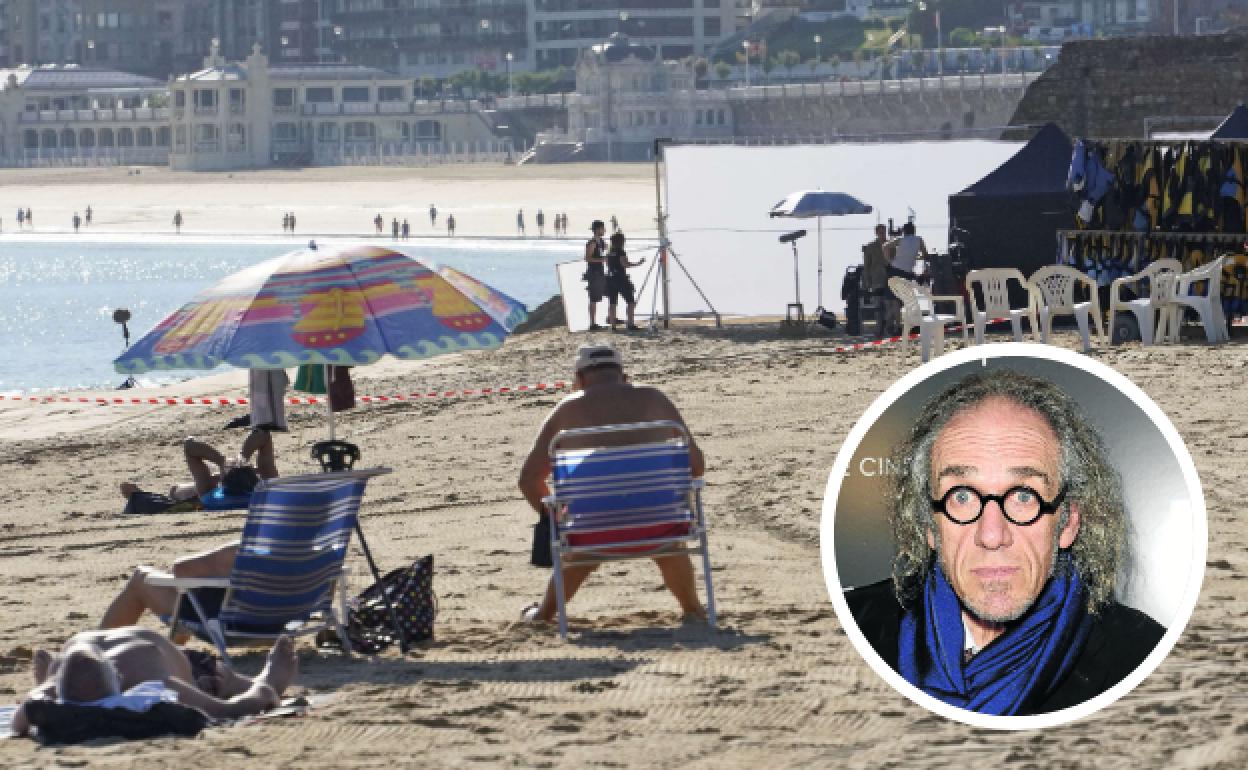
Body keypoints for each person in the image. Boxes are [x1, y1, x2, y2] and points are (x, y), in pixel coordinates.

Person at [844, 369, 1165, 717]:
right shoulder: (854, 628)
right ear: (929, 526)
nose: (992, 535)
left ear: (1069, 523)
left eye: (1024, 497)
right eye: (962, 496)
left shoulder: (1142, 659)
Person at [517, 344, 708, 625]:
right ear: (623, 375)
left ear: (579, 379)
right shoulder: (655, 399)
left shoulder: (567, 410)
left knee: (579, 550)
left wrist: (554, 518)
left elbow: (529, 480)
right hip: (661, 525)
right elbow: (696, 466)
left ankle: (543, 615)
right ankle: (694, 611)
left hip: (593, 533)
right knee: (670, 547)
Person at [11, 628, 296, 736]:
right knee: (210, 682)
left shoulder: (150, 681)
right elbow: (225, 711)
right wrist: (264, 694)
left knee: (221, 682)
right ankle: (263, 678)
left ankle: (260, 678)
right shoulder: (153, 685)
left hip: (90, 654)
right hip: (146, 652)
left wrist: (263, 691)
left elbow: (20, 718)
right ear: (118, 677)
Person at [605, 231, 646, 331]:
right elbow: (625, 264)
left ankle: (613, 326)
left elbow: (607, 264)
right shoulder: (620, 251)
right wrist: (638, 263)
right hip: (620, 278)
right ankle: (630, 324)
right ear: (621, 241)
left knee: (612, 303)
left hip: (610, 278)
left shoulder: (609, 252)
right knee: (631, 301)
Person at [861, 224, 891, 338]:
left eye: (884, 232)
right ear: (876, 233)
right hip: (876, 279)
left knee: (889, 305)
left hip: (889, 279)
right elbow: (866, 266)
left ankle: (888, 327)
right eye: (880, 232)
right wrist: (866, 282)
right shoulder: (870, 247)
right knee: (878, 306)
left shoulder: (891, 245)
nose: (882, 234)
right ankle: (879, 329)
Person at [584, 220, 608, 330]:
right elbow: (587, 258)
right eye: (602, 228)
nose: (604, 230)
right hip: (594, 273)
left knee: (600, 296)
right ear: (597, 229)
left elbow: (606, 250)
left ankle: (608, 318)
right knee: (593, 299)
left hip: (600, 272)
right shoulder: (592, 243)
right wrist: (602, 260)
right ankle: (592, 323)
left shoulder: (601, 242)